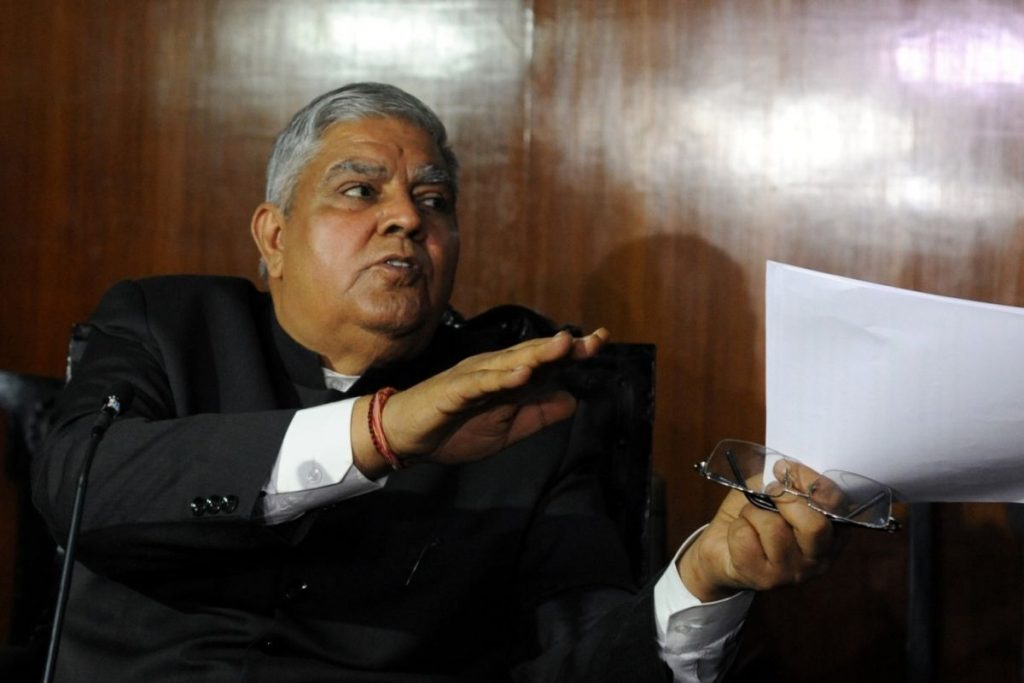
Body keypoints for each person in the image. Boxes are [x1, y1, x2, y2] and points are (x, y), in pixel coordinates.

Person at [33, 83, 839, 682]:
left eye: (434, 199)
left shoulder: (519, 408)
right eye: (360, 191)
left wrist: (704, 580)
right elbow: (78, 482)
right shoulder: (169, 323)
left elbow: (578, 653)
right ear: (273, 236)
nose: (408, 218)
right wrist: (380, 433)